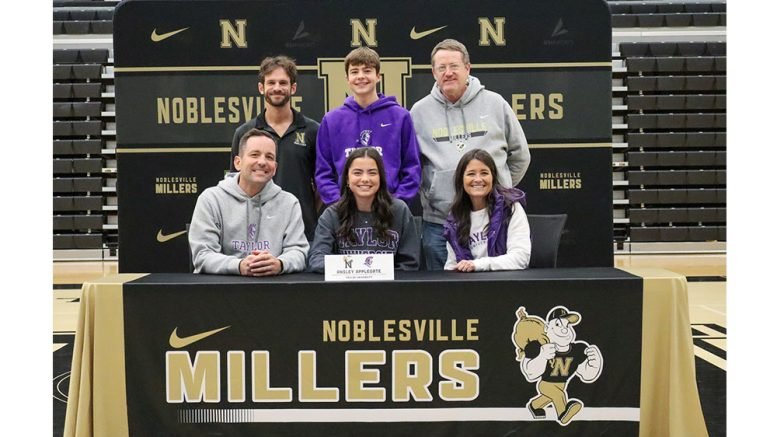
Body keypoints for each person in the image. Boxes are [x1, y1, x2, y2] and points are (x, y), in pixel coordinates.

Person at [410, 39, 531, 270]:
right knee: (441, 293)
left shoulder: (495, 104)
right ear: (433, 72)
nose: (448, 73)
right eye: (441, 67)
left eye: (454, 66)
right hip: (440, 224)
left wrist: (497, 189)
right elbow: (411, 165)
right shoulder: (419, 112)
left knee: (495, 288)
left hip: (493, 221)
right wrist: (432, 194)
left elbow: (520, 155)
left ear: (467, 68)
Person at [191, 129, 309, 275]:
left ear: (275, 168)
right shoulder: (211, 199)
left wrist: (280, 264)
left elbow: (299, 251)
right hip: (221, 287)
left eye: (269, 157)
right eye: (254, 155)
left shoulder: (289, 203)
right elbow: (202, 255)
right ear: (237, 162)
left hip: (273, 286)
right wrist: (239, 266)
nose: (262, 162)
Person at [315, 46, 421, 207]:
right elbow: (323, 173)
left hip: (389, 210)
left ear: (378, 76)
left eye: (367, 70)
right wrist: (340, 205)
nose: (361, 76)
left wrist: (396, 204)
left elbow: (412, 168)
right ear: (347, 78)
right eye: (354, 71)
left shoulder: (400, 117)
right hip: (345, 212)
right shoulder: (331, 120)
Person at [230, 56, 320, 241]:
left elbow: (322, 185)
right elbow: (235, 184)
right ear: (261, 88)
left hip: (303, 232)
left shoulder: (313, 131)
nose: (277, 88)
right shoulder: (244, 132)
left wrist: (308, 212)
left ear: (293, 88)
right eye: (271, 82)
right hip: (255, 233)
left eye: (283, 83)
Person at [308, 147, 420, 273]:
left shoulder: (400, 211)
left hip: (389, 285)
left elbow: (410, 263)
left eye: (372, 173)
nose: (365, 179)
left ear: (381, 178)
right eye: (357, 173)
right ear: (347, 179)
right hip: (345, 284)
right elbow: (317, 260)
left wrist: (377, 274)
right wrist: (360, 270)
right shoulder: (332, 215)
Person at [443, 149, 531, 271]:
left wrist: (478, 265)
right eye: (471, 174)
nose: (478, 179)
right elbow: (452, 265)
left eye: (484, 173)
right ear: (461, 179)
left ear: (493, 178)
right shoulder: (455, 217)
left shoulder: (510, 208)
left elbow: (520, 258)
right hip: (468, 283)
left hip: (505, 281)